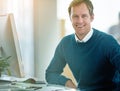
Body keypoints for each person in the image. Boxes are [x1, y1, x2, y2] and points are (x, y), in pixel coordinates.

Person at [45, 0, 120, 90]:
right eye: (75, 16)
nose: (80, 21)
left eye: (84, 16)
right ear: (70, 18)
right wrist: (67, 83)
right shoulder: (65, 44)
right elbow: (50, 73)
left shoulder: (108, 42)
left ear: (92, 17)